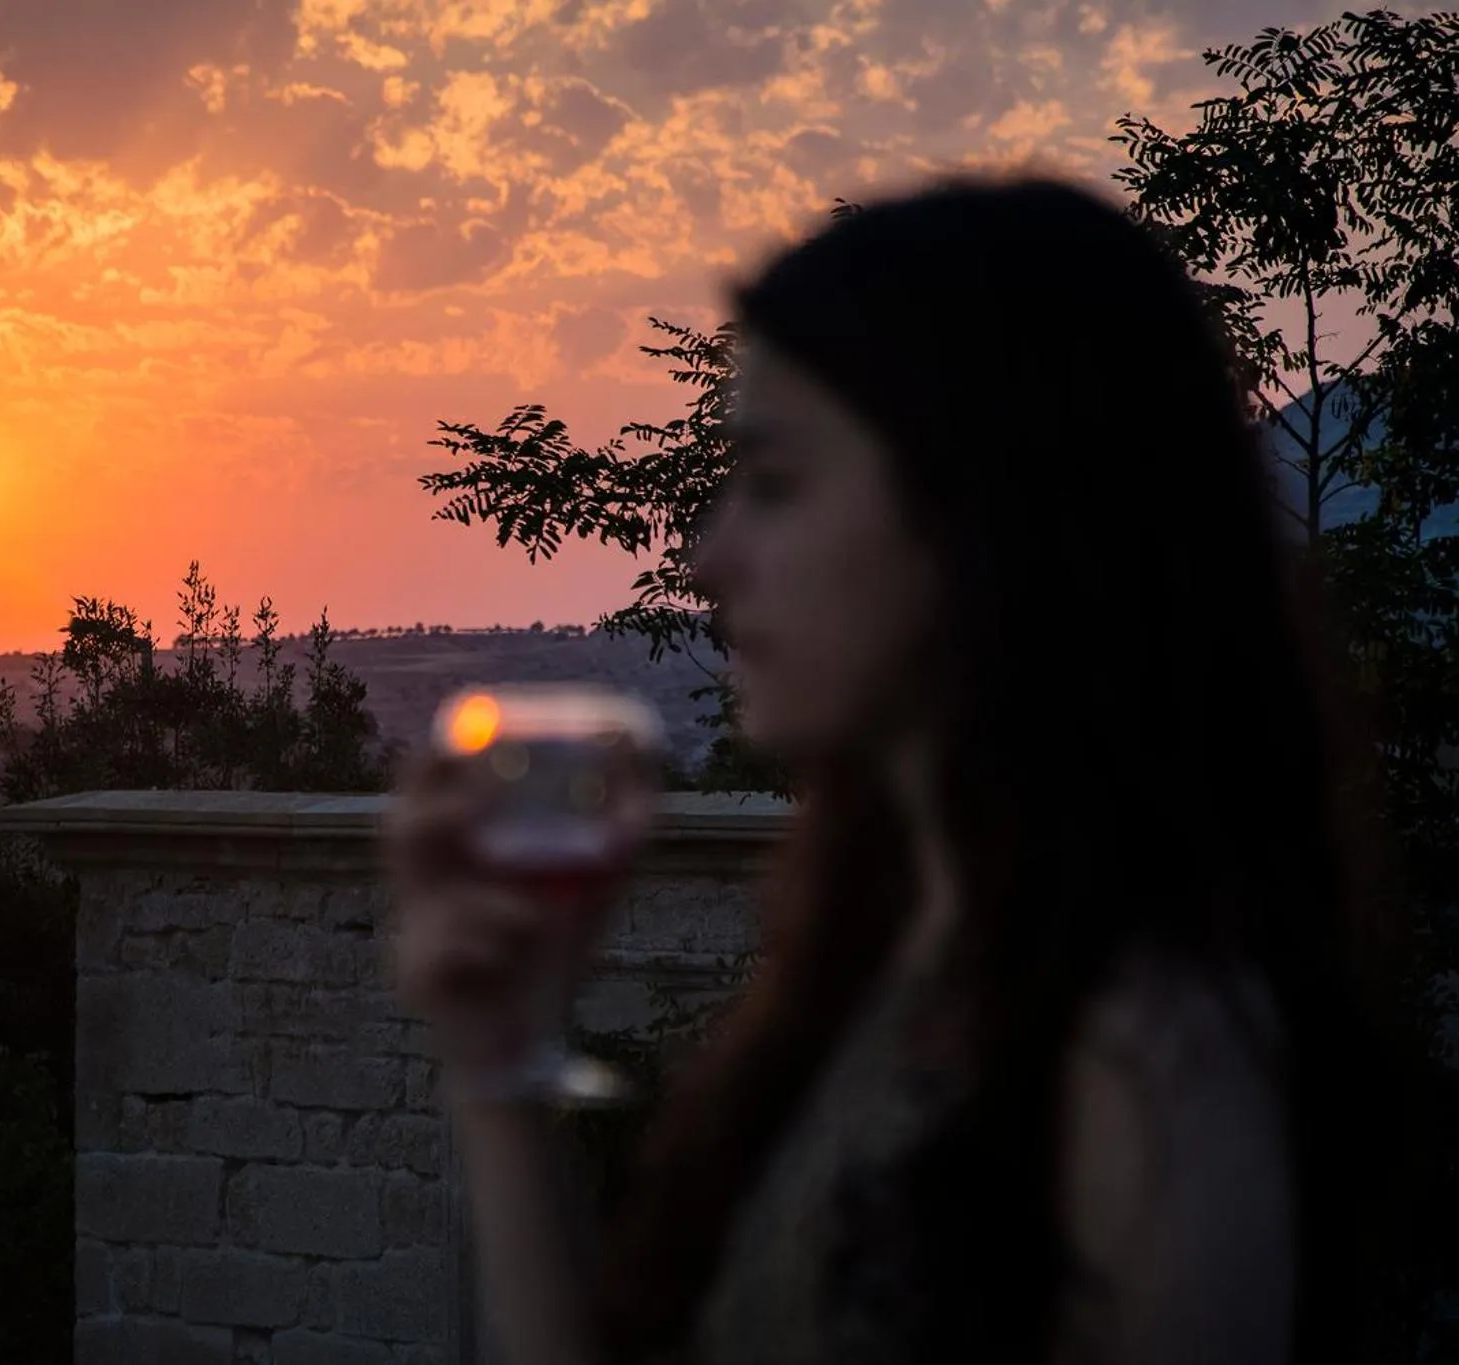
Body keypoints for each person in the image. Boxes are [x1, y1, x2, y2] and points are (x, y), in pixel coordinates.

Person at [384, 175, 1418, 1365]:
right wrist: (501, 1062)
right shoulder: (891, 967)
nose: (706, 560)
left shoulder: (1146, 1059)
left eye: (773, 484)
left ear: (989, 511)